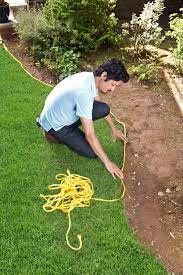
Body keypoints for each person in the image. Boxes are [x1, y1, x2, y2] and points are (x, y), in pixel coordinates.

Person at [37, 59, 129, 179]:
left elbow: (98, 102)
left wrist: (114, 129)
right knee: (91, 153)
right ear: (104, 76)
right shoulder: (83, 93)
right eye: (113, 84)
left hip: (66, 113)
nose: (113, 89)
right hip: (57, 125)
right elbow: (90, 134)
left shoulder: (90, 78)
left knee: (103, 109)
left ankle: (64, 129)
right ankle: (51, 134)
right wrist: (108, 162)